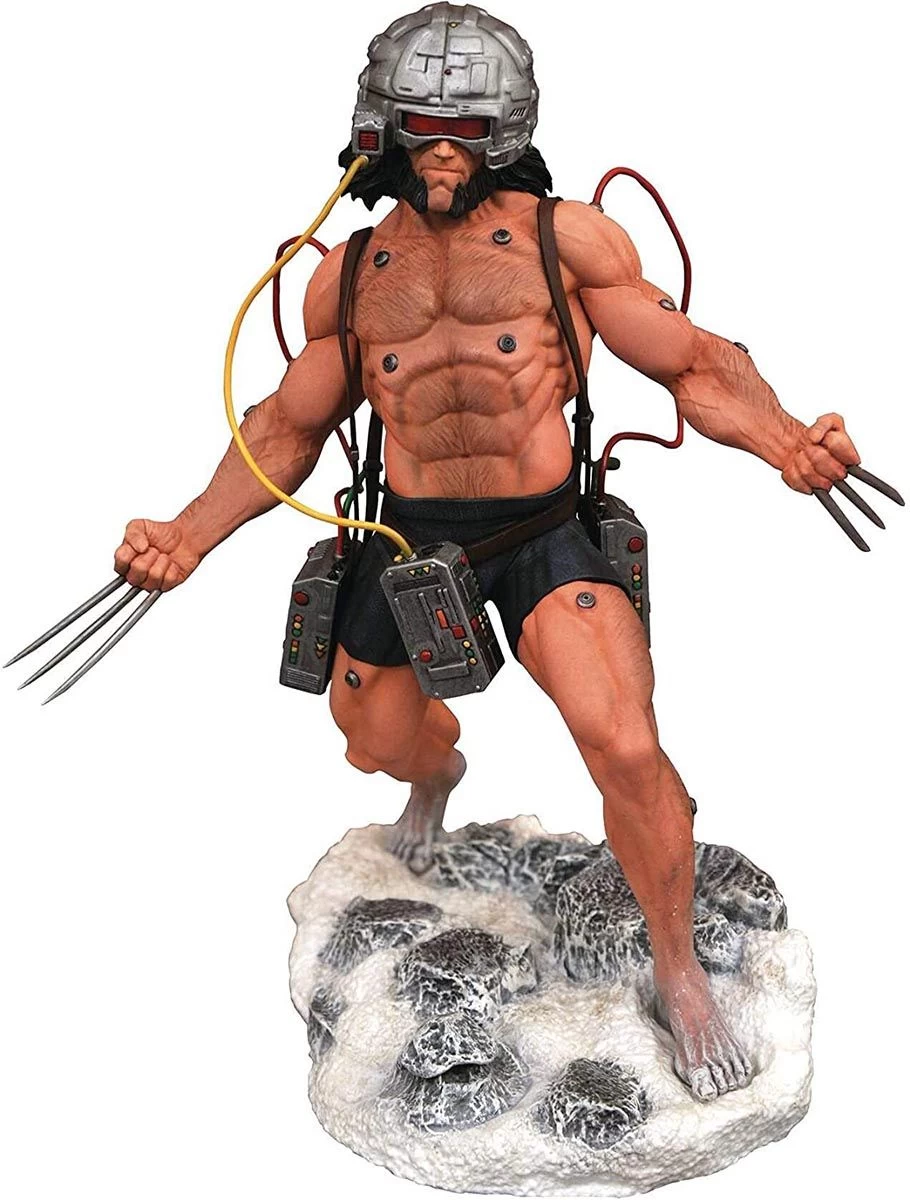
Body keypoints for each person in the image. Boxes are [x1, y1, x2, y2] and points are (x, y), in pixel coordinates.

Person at [110, 5, 864, 1101]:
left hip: (541, 534)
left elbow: (693, 363)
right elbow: (284, 428)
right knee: (374, 740)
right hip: (407, 539)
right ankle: (439, 775)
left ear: (506, 129)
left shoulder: (570, 241)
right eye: (420, 127)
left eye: (465, 129)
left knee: (626, 746)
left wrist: (787, 442)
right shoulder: (351, 273)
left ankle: (678, 968)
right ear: (380, 130)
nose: (442, 151)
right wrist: (186, 533)